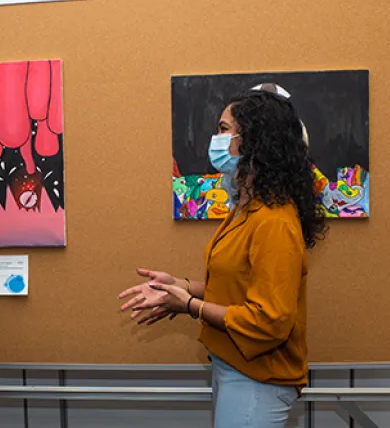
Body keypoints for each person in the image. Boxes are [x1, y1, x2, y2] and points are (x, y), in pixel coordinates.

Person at [119, 90, 327, 427]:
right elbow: (238, 286)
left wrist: (188, 305)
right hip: (235, 368)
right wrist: (180, 286)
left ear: (253, 141)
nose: (216, 139)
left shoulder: (274, 221)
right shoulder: (248, 209)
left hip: (258, 380)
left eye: (224, 128)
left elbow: (268, 322)